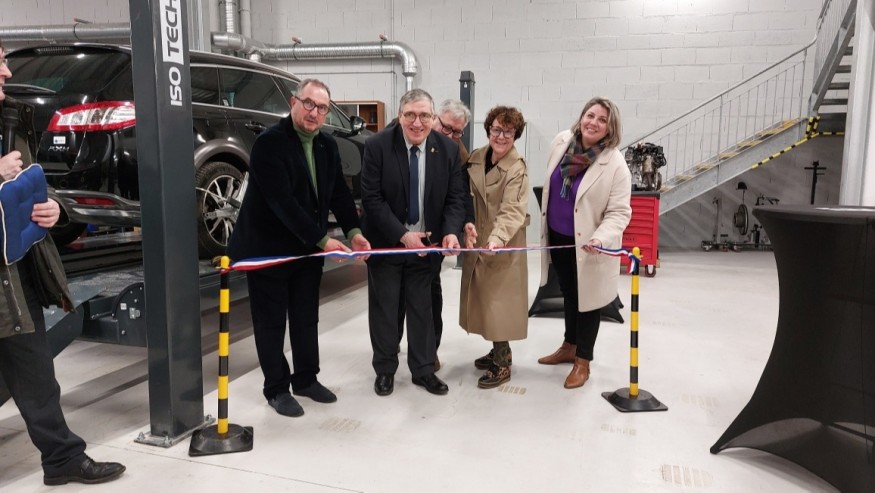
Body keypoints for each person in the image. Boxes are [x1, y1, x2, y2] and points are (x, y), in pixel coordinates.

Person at [0, 45, 126, 485]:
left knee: (36, 372)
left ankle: (62, 459)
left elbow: (31, 183)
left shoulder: (11, 121)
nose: (7, 71)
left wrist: (52, 206)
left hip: (14, 273)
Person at [227, 79, 370, 417]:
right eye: (308, 104)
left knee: (306, 318)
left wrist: (354, 231)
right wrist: (324, 240)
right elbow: (282, 202)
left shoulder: (327, 145)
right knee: (271, 322)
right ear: (294, 102)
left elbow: (338, 192)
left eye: (322, 108)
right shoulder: (269, 143)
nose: (314, 112)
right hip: (268, 249)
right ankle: (276, 388)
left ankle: (306, 379)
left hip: (306, 249)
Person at [361, 88, 466, 397]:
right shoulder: (377, 146)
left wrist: (451, 232)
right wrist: (402, 234)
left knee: (422, 310)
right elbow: (372, 198)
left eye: (424, 115)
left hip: (425, 246)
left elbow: (455, 198)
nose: (417, 123)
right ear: (400, 116)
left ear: (433, 118)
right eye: (410, 115)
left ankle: (423, 370)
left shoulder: (447, 150)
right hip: (388, 243)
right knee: (385, 309)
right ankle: (385, 370)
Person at [537, 97, 632, 389]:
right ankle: (569, 346)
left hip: (589, 245)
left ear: (610, 128)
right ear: (581, 117)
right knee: (568, 292)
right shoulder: (562, 142)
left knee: (588, 300)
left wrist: (600, 237)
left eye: (602, 120)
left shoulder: (615, 164)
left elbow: (619, 212)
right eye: (590, 115)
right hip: (558, 238)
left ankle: (583, 361)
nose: (593, 122)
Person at [396, 98, 472, 372]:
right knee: (395, 295)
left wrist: (465, 223)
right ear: (434, 117)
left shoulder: (456, 152)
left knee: (430, 296)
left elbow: (460, 195)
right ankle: (392, 345)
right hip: (395, 234)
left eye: (457, 132)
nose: (450, 134)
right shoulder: (403, 134)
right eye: (446, 127)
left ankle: (430, 351)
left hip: (433, 237)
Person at [459, 106, 529, 389]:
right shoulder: (476, 157)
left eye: (508, 132)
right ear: (488, 129)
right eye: (497, 129)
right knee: (484, 301)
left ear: (516, 135)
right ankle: (496, 350)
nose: (501, 136)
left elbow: (513, 210)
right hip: (478, 238)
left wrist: (497, 238)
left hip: (503, 243)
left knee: (500, 305)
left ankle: (502, 363)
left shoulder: (517, 168)